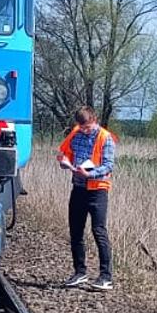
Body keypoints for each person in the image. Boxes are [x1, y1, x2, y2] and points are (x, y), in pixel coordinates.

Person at [56, 107, 117, 291]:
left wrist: (90, 173)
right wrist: (65, 163)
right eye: (82, 127)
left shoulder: (105, 137)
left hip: (98, 190)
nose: (85, 130)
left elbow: (108, 165)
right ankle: (80, 272)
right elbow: (65, 153)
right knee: (76, 232)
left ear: (95, 120)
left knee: (99, 231)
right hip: (78, 188)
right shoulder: (75, 135)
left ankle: (106, 276)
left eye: (88, 127)